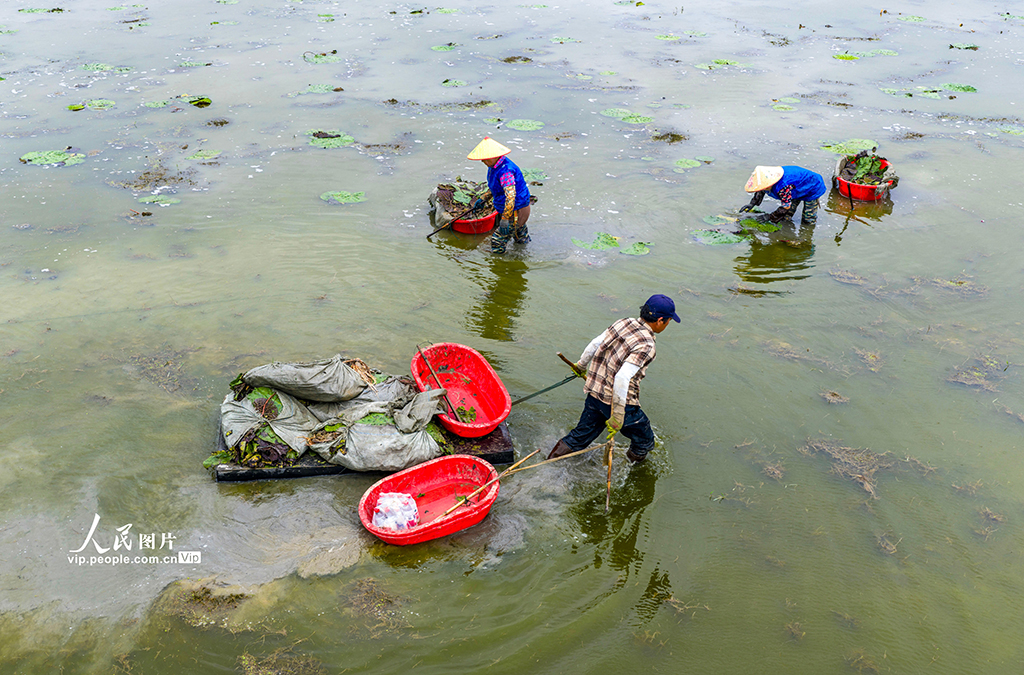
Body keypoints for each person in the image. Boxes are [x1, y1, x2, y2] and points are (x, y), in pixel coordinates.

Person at [548, 294, 679, 464]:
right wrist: (618, 415)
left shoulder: (623, 322)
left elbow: (595, 344)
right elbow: (622, 378)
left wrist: (581, 365)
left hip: (595, 393)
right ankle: (632, 470)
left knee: (579, 437)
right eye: (668, 321)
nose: (668, 324)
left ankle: (549, 464)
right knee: (645, 441)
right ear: (660, 320)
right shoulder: (647, 345)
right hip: (619, 402)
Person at [467, 137, 532, 254]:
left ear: (494, 156)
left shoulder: (506, 171)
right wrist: (483, 198)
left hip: (516, 210)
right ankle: (523, 255)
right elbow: (496, 187)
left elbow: (510, 197)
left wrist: (505, 219)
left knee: (497, 241)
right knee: (520, 236)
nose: (483, 162)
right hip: (516, 210)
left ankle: (501, 266)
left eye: (485, 159)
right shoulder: (494, 167)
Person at [739, 165, 827, 226]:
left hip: (812, 185)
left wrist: (769, 217)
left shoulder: (782, 187)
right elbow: (761, 190)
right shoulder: (767, 178)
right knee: (786, 216)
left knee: (808, 218)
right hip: (795, 186)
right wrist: (752, 203)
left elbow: (786, 206)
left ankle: (807, 236)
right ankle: (786, 228)